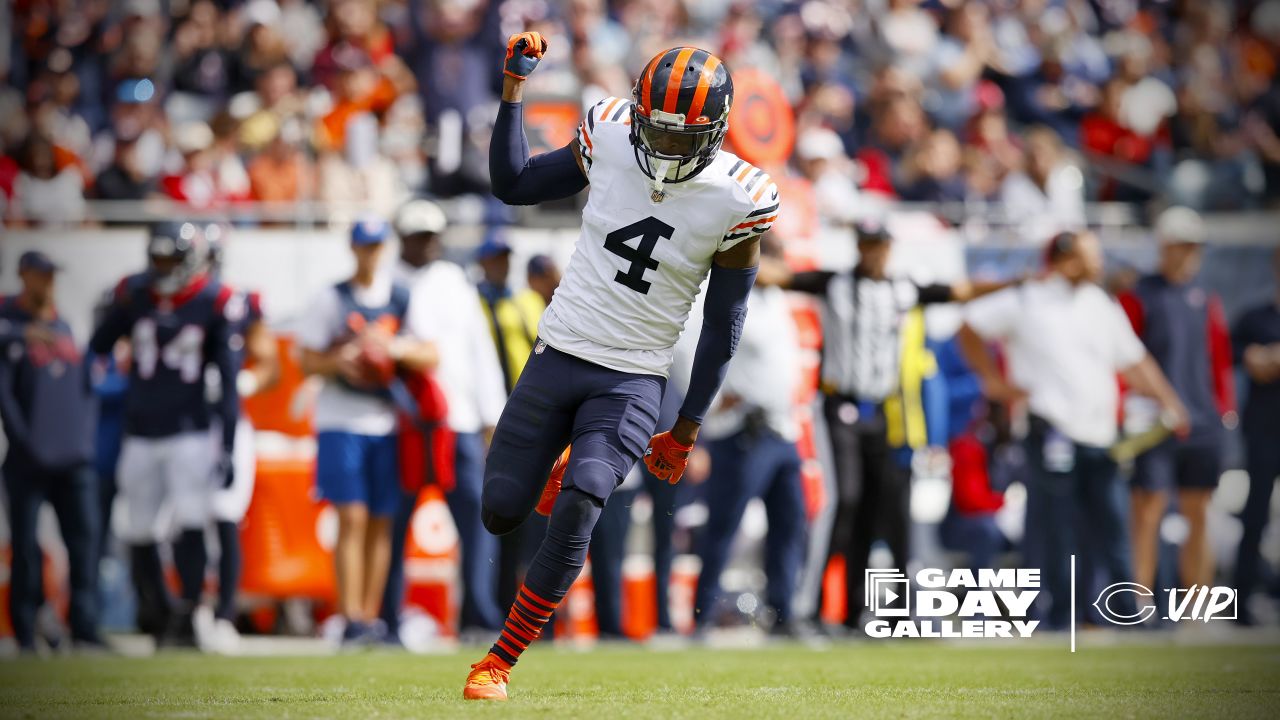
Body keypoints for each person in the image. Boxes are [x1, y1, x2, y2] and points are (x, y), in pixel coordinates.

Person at [464, 36, 776, 700]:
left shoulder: (738, 196)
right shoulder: (605, 131)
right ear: (636, 113)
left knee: (583, 501)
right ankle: (555, 466)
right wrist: (514, 88)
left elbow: (724, 321)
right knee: (500, 512)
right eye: (655, 128)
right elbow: (513, 184)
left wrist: (688, 425)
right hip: (558, 354)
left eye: (678, 135)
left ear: (713, 133)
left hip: (632, 376)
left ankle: (498, 661)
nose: (662, 147)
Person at [765, 221, 1012, 631]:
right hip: (840, 404)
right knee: (843, 500)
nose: (874, 253)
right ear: (858, 248)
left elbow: (960, 291)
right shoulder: (836, 283)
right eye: (867, 245)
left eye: (879, 245)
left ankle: (851, 613)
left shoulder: (904, 288)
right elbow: (783, 277)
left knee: (874, 508)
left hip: (883, 411)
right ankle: (812, 606)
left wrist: (1017, 282)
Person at [957, 230, 1190, 630]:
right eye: (1088, 256)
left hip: (1100, 434)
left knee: (1112, 523)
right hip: (1051, 431)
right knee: (1056, 526)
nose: (1098, 264)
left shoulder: (1100, 303)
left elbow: (1133, 361)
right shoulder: (1027, 300)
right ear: (1064, 259)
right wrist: (994, 382)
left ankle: (1123, 611)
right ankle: (1056, 615)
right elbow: (970, 326)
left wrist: (1170, 401)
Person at [89, 223, 241, 645]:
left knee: (191, 521)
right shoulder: (135, 295)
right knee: (139, 528)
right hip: (140, 430)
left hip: (189, 430)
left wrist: (226, 442)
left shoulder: (214, 301)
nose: (163, 269)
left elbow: (229, 382)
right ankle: (157, 612)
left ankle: (190, 614)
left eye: (171, 260)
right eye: (157, 260)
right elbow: (98, 345)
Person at [296, 218, 437, 645]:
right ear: (353, 249)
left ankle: (370, 614)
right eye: (364, 246)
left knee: (382, 520)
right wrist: (343, 360)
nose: (371, 254)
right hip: (342, 419)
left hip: (386, 420)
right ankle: (349, 614)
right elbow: (306, 359)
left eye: (377, 246)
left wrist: (390, 349)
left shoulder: (399, 297)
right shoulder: (332, 298)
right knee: (352, 516)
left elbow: (430, 353)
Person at [387, 199, 507, 638]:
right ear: (403, 238)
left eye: (432, 236)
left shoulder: (453, 280)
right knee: (394, 522)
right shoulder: (386, 281)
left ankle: (477, 616)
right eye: (419, 236)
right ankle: (387, 617)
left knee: (477, 524)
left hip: (456, 419)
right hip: (403, 422)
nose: (427, 244)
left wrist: (491, 416)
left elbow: (478, 349)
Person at [693, 237, 808, 637]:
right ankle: (702, 614)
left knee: (790, 523)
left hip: (782, 428)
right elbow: (693, 347)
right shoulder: (728, 296)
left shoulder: (777, 301)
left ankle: (783, 611)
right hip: (744, 430)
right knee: (725, 526)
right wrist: (715, 399)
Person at [1118, 207, 1235, 597]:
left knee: (1199, 513)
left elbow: (1217, 358)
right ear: (1164, 246)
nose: (1189, 254)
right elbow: (1125, 358)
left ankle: (1197, 610)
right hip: (1154, 423)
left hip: (1202, 422)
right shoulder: (1140, 296)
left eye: (1194, 246)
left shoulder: (1205, 298)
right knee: (1147, 513)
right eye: (1182, 245)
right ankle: (1138, 605)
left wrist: (1223, 410)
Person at [0, 251, 102, 652]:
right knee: (25, 546)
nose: (48, 282)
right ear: (24, 275)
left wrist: (85, 439)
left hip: (72, 456)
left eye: (51, 275)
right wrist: (24, 440)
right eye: (41, 274)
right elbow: (6, 396)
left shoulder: (65, 325)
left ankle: (85, 629)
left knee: (84, 541)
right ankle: (25, 631)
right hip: (27, 457)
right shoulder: (10, 322)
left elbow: (87, 387)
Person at [194, 227, 282, 653]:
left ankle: (225, 613)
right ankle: (183, 612)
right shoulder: (163, 299)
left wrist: (239, 383)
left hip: (225, 421)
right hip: (179, 421)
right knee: (182, 520)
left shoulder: (237, 301)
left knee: (226, 514)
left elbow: (268, 362)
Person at [1232, 248, 1280, 625]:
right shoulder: (1255, 318)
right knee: (1255, 515)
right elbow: (1229, 352)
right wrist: (1255, 357)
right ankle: (1242, 600)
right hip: (1264, 429)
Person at [475, 231, 544, 394]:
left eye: (505, 259)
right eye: (495, 260)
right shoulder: (474, 303)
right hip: (492, 393)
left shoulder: (529, 299)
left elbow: (544, 342)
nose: (502, 265)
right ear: (483, 263)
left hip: (530, 391)